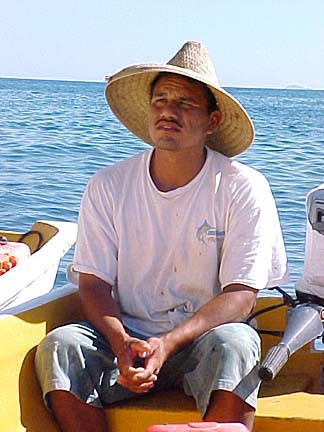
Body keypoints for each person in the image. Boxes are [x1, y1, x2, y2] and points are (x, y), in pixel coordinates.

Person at [35, 41, 289, 432]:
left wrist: (167, 344)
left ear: (213, 120)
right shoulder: (108, 185)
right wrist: (121, 343)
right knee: (61, 346)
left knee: (237, 344)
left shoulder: (243, 187)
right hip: (125, 341)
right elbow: (93, 282)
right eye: (161, 100)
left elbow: (241, 295)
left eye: (185, 103)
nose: (169, 110)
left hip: (203, 343)